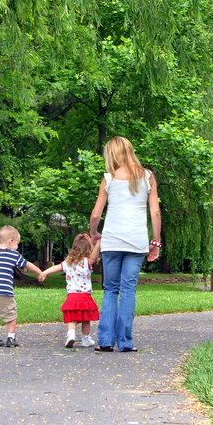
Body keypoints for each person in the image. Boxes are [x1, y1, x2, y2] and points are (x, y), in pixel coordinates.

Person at [89, 136, 161, 353]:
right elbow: (155, 212)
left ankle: (105, 341)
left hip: (111, 241)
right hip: (136, 242)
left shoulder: (108, 179)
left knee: (110, 289)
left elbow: (95, 214)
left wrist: (93, 234)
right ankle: (126, 343)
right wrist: (155, 242)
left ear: (111, 154)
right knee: (128, 289)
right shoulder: (147, 177)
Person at [39, 233, 101, 348]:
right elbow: (93, 258)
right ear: (88, 250)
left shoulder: (68, 263)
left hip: (72, 296)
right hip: (85, 296)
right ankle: (86, 339)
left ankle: (71, 335)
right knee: (86, 319)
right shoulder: (87, 263)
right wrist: (98, 244)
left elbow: (54, 267)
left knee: (72, 318)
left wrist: (44, 273)